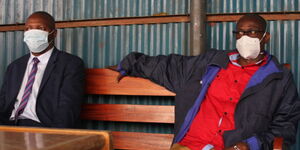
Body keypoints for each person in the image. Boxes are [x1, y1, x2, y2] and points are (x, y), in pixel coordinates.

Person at [114, 14, 300, 150]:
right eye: (239, 33)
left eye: (251, 32)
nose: (244, 38)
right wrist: (130, 63)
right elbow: (166, 65)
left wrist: (250, 145)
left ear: (265, 37)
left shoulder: (278, 79)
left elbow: (286, 128)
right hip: (188, 146)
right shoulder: (210, 63)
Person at [0, 11, 85, 128]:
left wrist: (54, 138)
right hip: (10, 127)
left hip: (44, 128)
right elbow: (3, 103)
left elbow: (68, 108)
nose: (33, 33)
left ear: (54, 34)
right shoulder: (14, 67)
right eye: (28, 29)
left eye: (41, 28)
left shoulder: (70, 64)